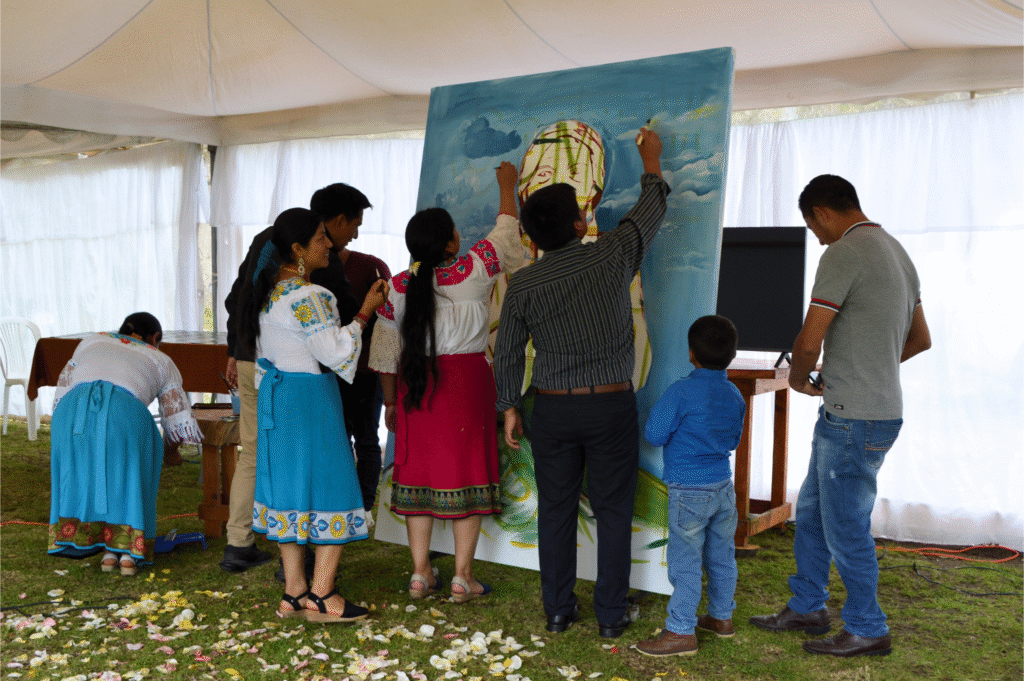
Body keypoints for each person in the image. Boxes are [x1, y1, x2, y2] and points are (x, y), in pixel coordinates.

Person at [493, 127, 668, 638]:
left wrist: (509, 407)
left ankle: (558, 611)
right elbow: (649, 211)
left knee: (556, 510)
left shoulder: (524, 284)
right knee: (613, 511)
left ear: (532, 236)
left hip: (553, 410)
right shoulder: (612, 255)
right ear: (578, 222)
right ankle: (611, 616)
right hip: (610, 406)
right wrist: (651, 161)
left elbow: (507, 352)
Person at [750, 175, 931, 657]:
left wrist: (797, 377)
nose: (818, 239)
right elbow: (920, 339)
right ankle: (808, 606)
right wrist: (864, 366)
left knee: (846, 526)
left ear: (822, 213)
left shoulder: (844, 252)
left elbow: (809, 340)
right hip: (871, 412)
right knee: (812, 512)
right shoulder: (897, 252)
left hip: (853, 420)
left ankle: (868, 628)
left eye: (814, 229)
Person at [368, 162, 524, 603]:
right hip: (467, 384)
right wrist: (507, 185)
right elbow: (506, 231)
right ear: (452, 242)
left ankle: (420, 574)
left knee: (418, 475)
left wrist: (389, 404)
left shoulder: (396, 287)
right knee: (467, 474)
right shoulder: (475, 269)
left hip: (415, 387)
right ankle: (461, 577)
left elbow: (385, 357)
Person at [237, 207, 388, 622]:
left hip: (277, 397)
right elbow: (333, 351)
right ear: (299, 249)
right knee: (333, 487)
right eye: (322, 237)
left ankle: (294, 590)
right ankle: (322, 594)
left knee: (288, 491)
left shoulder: (269, 295)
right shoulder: (311, 296)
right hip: (308, 400)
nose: (330, 244)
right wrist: (365, 311)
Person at [220, 184, 368, 574]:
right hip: (299, 381)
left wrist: (236, 348)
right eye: (350, 226)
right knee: (312, 464)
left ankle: (242, 543)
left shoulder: (269, 258)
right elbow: (333, 343)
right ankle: (307, 562)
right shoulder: (311, 285)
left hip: (262, 365)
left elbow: (237, 298)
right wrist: (364, 314)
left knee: (263, 456)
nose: (337, 243)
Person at [48, 313, 203, 576]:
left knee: (86, 475)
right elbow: (176, 423)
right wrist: (170, 453)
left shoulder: (91, 341)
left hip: (70, 413)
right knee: (128, 477)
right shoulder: (161, 359)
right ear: (155, 338)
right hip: (122, 413)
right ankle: (126, 554)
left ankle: (101, 547)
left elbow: (62, 390)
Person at [634, 315, 746, 657]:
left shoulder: (680, 392)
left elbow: (654, 435)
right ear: (732, 354)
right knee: (722, 556)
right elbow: (733, 440)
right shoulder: (734, 394)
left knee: (685, 562)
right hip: (723, 487)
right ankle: (721, 617)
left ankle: (681, 630)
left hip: (688, 491)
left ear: (691, 353)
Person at [311, 184, 392, 518]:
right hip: (324, 370)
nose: (356, 235)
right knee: (336, 439)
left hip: (362, 370)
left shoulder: (371, 266)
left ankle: (365, 506)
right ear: (339, 221)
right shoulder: (304, 272)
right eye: (355, 225)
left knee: (367, 438)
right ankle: (342, 504)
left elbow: (387, 318)